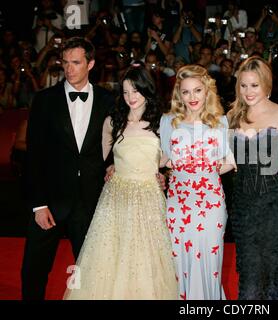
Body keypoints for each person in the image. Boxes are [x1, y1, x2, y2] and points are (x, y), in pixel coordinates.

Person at [63, 65, 177, 299]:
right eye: (125, 92)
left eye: (135, 91)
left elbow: (170, 160)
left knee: (146, 259)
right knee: (108, 257)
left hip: (148, 198)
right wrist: (111, 166)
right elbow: (99, 160)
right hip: (116, 198)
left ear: (147, 89)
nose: (130, 98)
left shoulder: (163, 123)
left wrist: (164, 174)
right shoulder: (112, 122)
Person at [21, 37, 114, 300]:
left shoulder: (108, 100)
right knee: (34, 269)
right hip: (49, 200)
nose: (69, 68)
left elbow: (117, 143)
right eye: (65, 62)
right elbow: (34, 154)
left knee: (91, 271)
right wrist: (38, 204)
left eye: (76, 62)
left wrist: (115, 165)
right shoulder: (44, 100)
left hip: (89, 201)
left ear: (91, 64)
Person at [227, 56, 278, 299]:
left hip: (276, 205)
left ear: (266, 85)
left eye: (254, 85)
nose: (248, 92)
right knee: (250, 272)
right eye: (243, 85)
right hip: (243, 206)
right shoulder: (231, 117)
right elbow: (225, 162)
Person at [159, 64, 235, 300]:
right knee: (179, 259)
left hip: (210, 201)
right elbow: (162, 159)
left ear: (207, 91)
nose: (192, 97)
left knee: (209, 261)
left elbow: (230, 163)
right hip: (178, 202)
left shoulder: (221, 122)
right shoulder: (168, 121)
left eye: (197, 90)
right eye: (186, 92)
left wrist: (203, 171)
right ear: (179, 95)